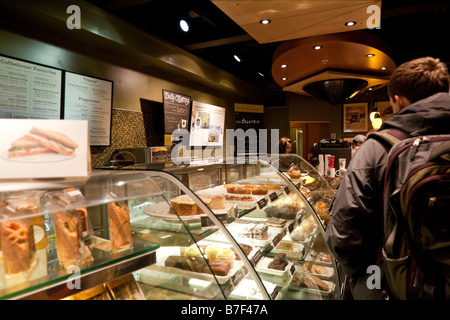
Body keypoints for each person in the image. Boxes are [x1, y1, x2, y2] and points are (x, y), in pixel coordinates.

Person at [325, 56, 450, 300]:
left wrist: (360, 277)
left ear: (398, 99)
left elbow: (343, 232)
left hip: (389, 283)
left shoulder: (376, 148)